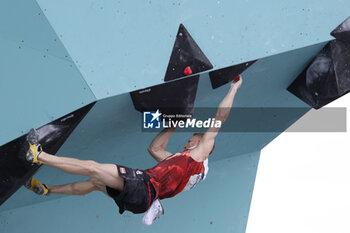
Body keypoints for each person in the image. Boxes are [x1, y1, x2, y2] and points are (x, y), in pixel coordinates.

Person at [24, 76, 243, 225]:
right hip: (141, 200)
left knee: (92, 168)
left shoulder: (198, 155)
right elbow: (155, 149)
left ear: (203, 144)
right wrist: (173, 123)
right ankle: (47, 189)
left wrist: (233, 89)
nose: (189, 139)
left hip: (143, 188)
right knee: (95, 183)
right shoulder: (184, 166)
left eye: (193, 137)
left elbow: (219, 119)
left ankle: (38, 155)